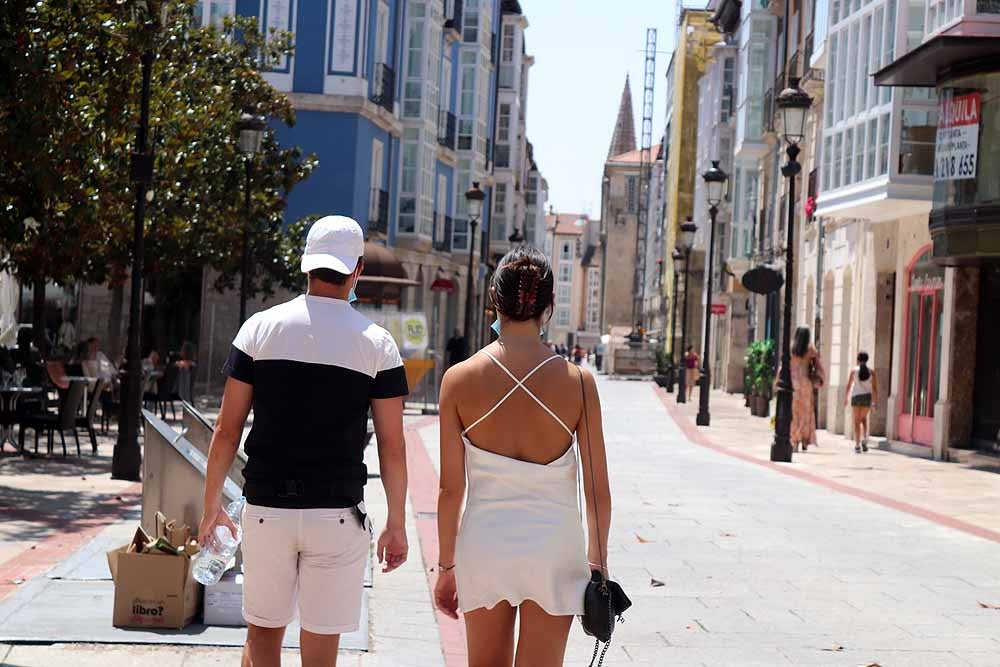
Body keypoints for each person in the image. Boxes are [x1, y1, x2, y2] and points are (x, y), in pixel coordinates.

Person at [199, 216, 410, 667]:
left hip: (267, 509)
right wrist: (396, 521)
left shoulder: (259, 328)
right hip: (336, 514)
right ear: (356, 271)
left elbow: (226, 429)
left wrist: (210, 505)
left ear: (306, 266)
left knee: (261, 642)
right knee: (320, 656)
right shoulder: (377, 344)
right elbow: (393, 445)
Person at [434, 246, 612, 666]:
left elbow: (449, 489)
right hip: (554, 549)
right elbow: (597, 489)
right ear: (548, 308)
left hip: (486, 543)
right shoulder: (579, 383)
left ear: (495, 300)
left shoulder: (457, 380)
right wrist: (598, 564)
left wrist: (446, 567)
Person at [786, 326, 825, 452]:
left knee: (794, 414)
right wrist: (820, 379)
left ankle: (794, 440)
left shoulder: (791, 348)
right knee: (806, 414)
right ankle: (804, 440)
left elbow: (784, 365)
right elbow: (818, 367)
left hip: (793, 384)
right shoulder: (811, 349)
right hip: (806, 384)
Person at [845, 352, 878, 453]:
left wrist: (846, 398)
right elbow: (874, 388)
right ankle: (864, 441)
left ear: (858, 359)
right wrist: (874, 402)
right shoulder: (871, 372)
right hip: (867, 398)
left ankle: (857, 445)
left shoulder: (854, 371)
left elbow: (849, 385)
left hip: (856, 397)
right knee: (864, 419)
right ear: (867, 359)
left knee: (856, 421)